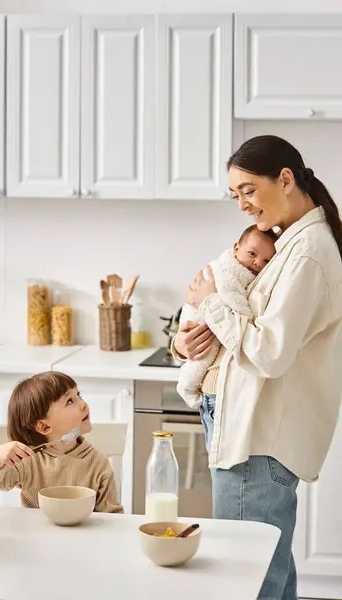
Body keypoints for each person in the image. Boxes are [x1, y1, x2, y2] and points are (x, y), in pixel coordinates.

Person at [173, 135, 342, 600]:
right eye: (236, 196)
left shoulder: (307, 253)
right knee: (268, 574)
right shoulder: (289, 244)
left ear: (285, 179)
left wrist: (209, 301)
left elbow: (268, 352)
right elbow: (242, 323)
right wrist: (187, 342)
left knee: (246, 582)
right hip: (250, 436)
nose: (243, 204)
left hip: (258, 442)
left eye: (248, 190)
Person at [0, 371, 123, 513]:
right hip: (36, 534)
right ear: (45, 427)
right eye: (70, 401)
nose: (84, 404)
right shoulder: (28, 459)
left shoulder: (98, 463)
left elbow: (112, 517)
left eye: (78, 395)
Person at [177, 224, 277, 408]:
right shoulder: (229, 271)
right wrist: (178, 345)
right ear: (236, 248)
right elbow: (233, 300)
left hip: (228, 389)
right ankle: (186, 387)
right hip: (202, 324)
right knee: (200, 359)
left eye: (266, 261)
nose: (257, 263)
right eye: (252, 254)